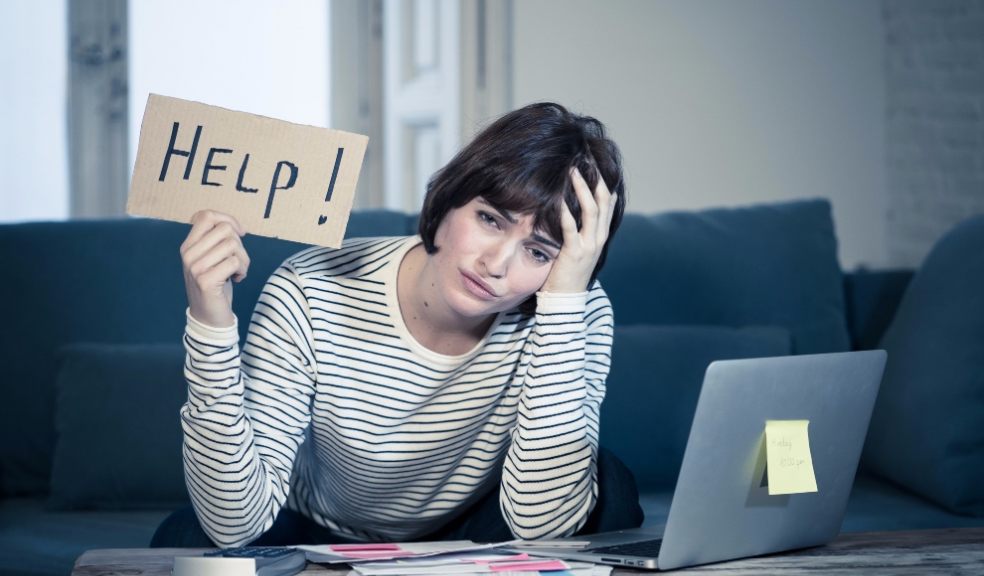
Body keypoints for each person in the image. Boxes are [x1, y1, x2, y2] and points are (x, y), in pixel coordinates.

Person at [151, 102, 642, 548]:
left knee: (607, 486)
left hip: (473, 528)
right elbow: (234, 523)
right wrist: (210, 320)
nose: (496, 264)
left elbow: (544, 529)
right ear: (451, 199)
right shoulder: (308, 287)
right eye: (490, 219)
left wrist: (565, 303)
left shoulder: (573, 304)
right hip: (310, 524)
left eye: (538, 252)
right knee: (187, 539)